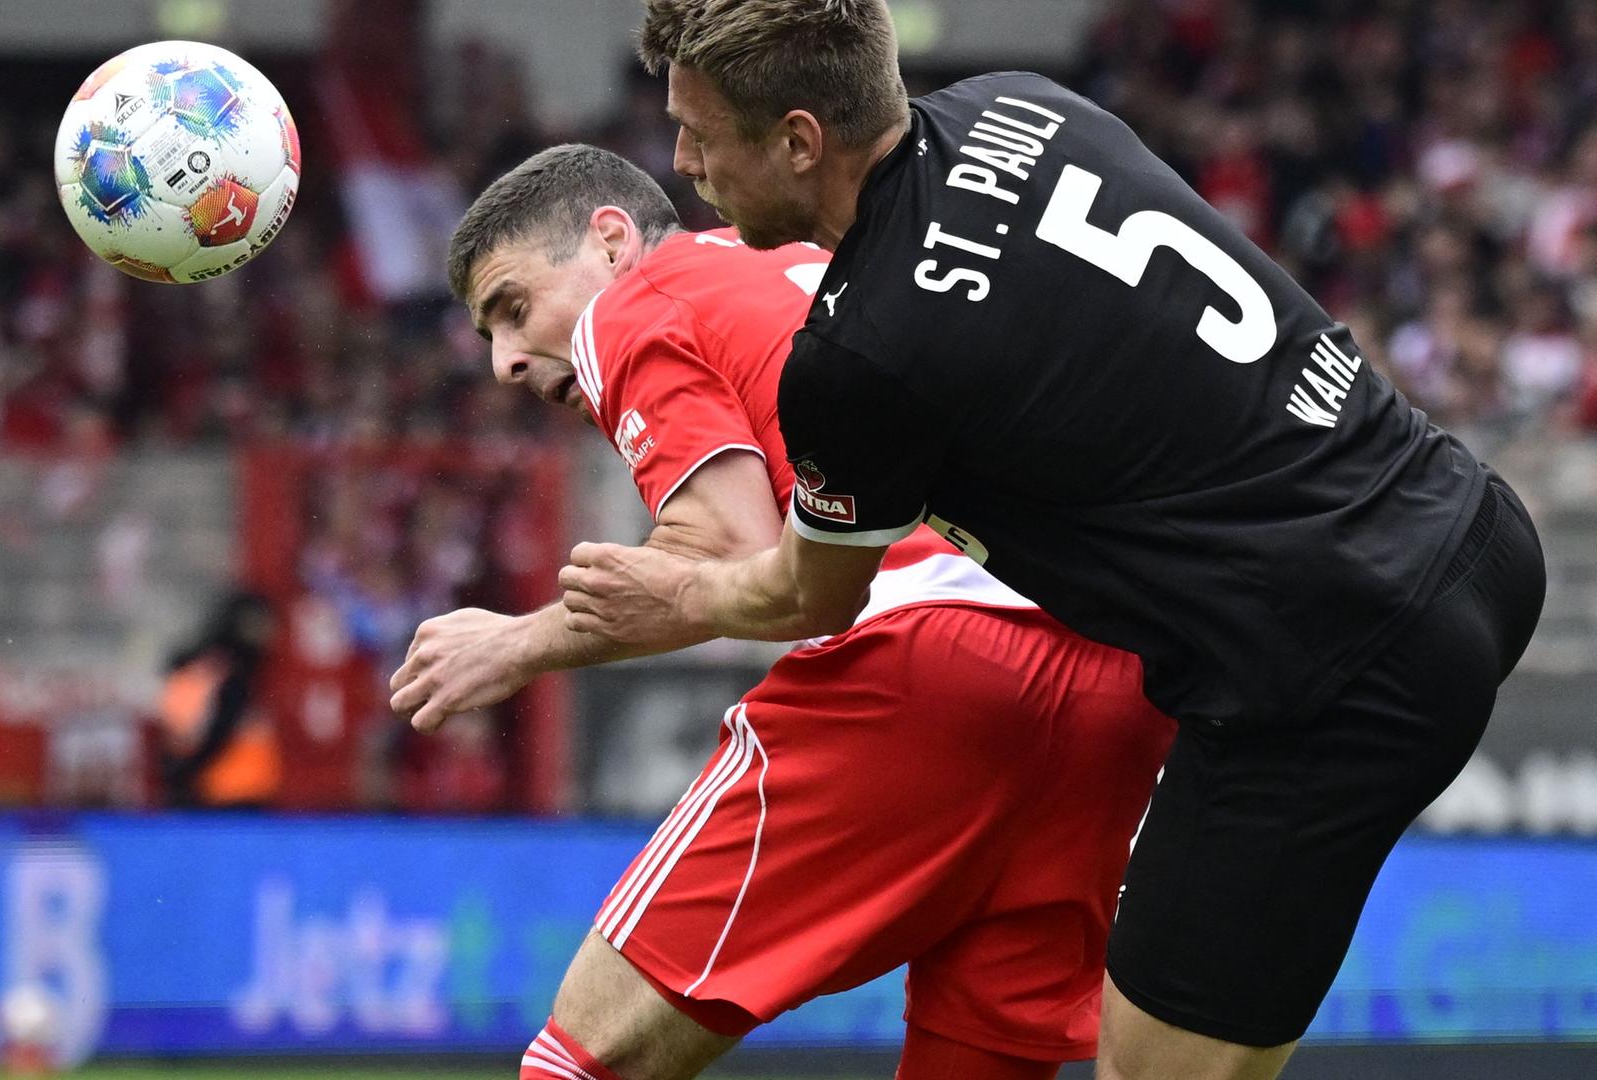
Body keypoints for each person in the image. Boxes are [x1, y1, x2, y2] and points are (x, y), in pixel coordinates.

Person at [556, 5, 1548, 1079]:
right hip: (1464, 518)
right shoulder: (1021, 105)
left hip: (1334, 664)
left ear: (800, 141)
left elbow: (813, 598)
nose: (681, 162)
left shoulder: (862, 355)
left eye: (700, 132)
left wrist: (678, 604)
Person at [391, 143, 1174, 1080]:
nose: (506, 362)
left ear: (610, 241)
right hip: (1115, 676)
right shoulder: (827, 262)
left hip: (930, 663)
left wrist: (515, 643)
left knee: (583, 1063)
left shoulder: (642, 299)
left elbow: (723, 551)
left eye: (512, 311)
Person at [157, 591, 283, 809]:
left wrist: (176, 777)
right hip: (232, 791)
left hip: (201, 789)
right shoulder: (233, 674)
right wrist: (184, 775)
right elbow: (218, 733)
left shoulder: (191, 668)